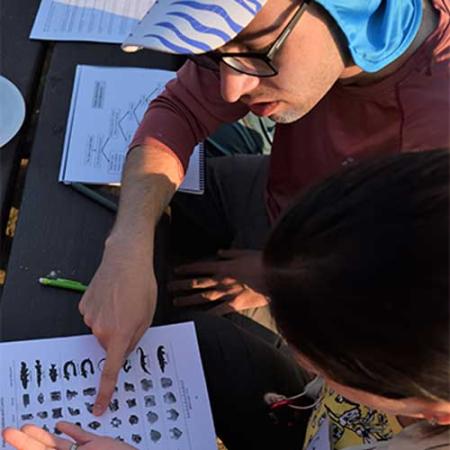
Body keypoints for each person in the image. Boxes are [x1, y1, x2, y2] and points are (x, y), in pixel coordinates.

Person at [77, 0, 450, 417]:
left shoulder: (437, 138)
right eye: (216, 54)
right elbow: (179, 110)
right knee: (114, 216)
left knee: (181, 341)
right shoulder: (287, 32)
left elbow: (406, 314)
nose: (229, 89)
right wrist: (127, 244)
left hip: (333, 298)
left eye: (255, 51)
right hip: (276, 202)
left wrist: (276, 277)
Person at [4, 150, 449, 450]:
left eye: (317, 357)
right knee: (187, 340)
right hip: (309, 419)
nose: (295, 349)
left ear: (437, 410)